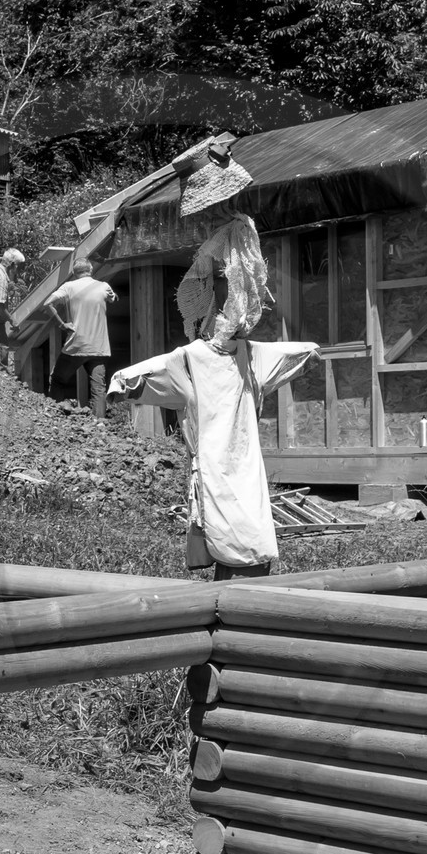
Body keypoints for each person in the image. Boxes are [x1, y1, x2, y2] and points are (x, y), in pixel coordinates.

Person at [106, 143, 317, 580]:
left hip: (222, 353)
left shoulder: (235, 234)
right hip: (218, 353)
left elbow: (242, 292)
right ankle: (229, 561)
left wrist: (222, 337)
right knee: (222, 461)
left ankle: (244, 562)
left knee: (227, 463)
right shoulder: (228, 233)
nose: (202, 215)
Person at [46, 258, 117, 417]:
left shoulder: (69, 286)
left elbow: (47, 303)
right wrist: (112, 295)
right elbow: (112, 298)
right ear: (91, 269)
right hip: (99, 347)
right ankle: (100, 425)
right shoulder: (103, 286)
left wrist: (62, 324)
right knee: (99, 388)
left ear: (74, 272)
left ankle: (55, 418)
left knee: (58, 380)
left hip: (76, 346)